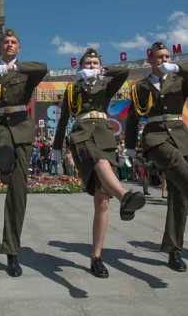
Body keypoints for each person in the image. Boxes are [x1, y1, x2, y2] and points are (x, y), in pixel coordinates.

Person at [123, 41, 188, 272]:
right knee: (174, 160)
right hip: (155, 137)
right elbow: (133, 118)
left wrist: (177, 68)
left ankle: (174, 250)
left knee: (179, 197)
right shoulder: (140, 87)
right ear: (149, 59)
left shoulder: (179, 80)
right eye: (159, 57)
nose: (164, 60)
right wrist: (130, 147)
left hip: (181, 136)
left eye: (168, 57)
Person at [52, 48, 146, 278]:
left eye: (95, 63)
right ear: (80, 67)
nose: (92, 66)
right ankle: (125, 196)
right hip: (82, 134)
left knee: (102, 202)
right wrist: (56, 148)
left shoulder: (106, 85)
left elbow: (124, 72)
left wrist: (103, 71)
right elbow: (64, 117)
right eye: (88, 63)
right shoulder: (73, 89)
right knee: (98, 159)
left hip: (104, 134)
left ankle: (96, 257)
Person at [0, 28, 47, 277]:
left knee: (18, 192)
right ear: (0, 47)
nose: (8, 44)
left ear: (18, 48)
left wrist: (15, 69)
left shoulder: (25, 71)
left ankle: (12, 253)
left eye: (13, 42)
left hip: (23, 129)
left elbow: (43, 67)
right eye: (5, 42)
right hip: (1, 125)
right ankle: (5, 163)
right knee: (3, 146)